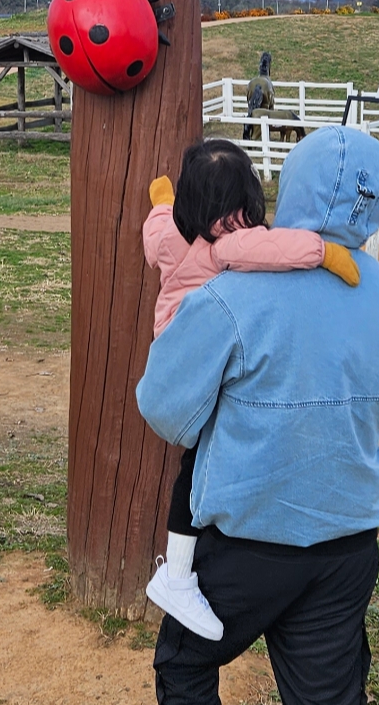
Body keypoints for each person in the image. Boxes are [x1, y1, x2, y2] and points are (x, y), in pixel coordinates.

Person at [136, 125, 379, 705]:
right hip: (347, 541)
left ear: (288, 189)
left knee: (184, 664)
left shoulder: (233, 295)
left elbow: (165, 411)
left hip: (250, 540)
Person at [142, 139, 361, 640]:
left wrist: (159, 199)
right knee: (195, 464)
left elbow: (154, 229)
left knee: (192, 461)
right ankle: (177, 575)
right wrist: (326, 253)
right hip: (205, 351)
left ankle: (181, 569)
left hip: (172, 344)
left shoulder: (174, 236)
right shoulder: (230, 244)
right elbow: (275, 248)